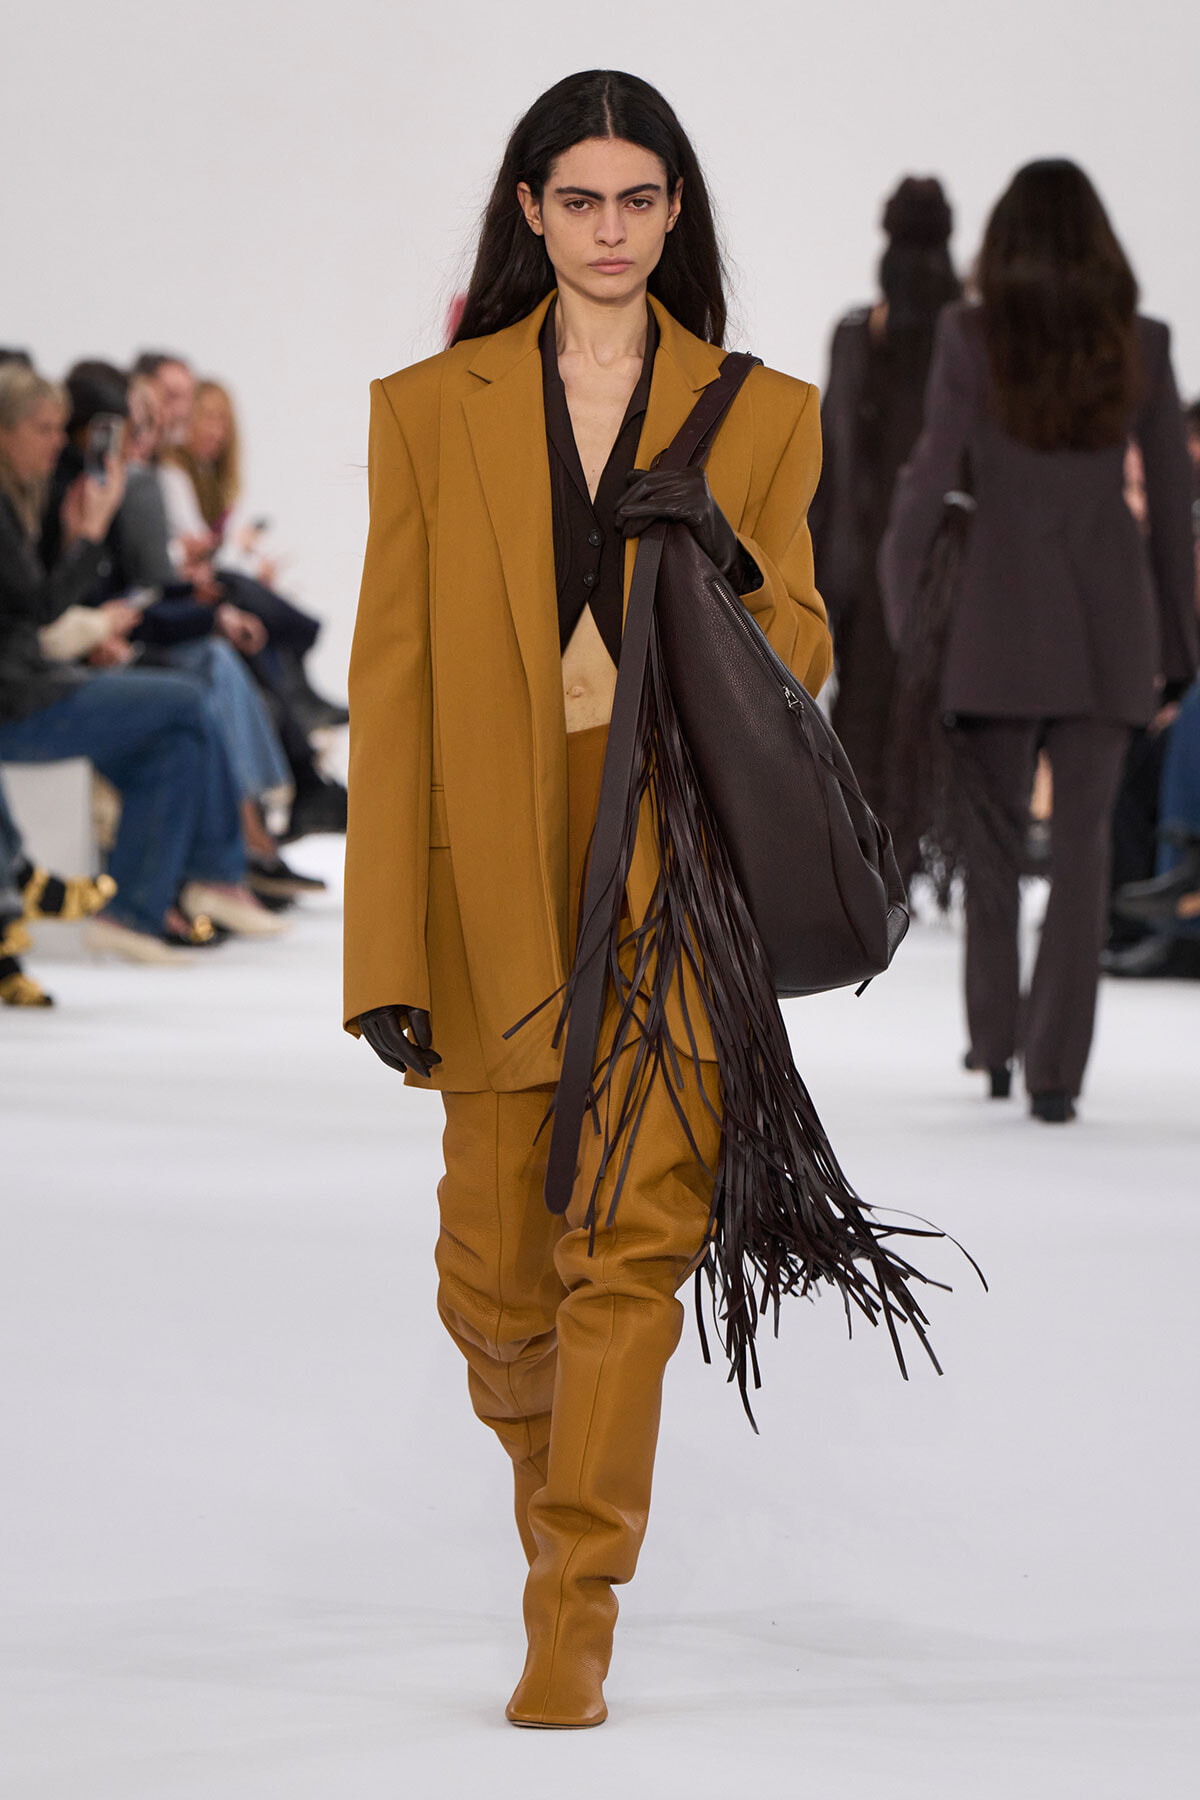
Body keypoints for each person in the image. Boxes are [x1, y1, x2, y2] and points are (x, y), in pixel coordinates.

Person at [343, 70, 832, 1728]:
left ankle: (575, 1604)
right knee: (493, 1280)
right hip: (489, 863)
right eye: (581, 200)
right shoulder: (428, 406)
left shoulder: (765, 413)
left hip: (673, 863)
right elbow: (392, 690)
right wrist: (379, 953)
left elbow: (809, 657)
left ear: (674, 213)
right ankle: (560, 1509)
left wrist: (735, 562)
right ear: (532, 211)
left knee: (628, 1252)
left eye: (640, 200)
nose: (611, 230)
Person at [880, 160, 1197, 1122]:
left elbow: (928, 482)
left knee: (990, 843)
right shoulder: (1140, 342)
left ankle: (996, 1045)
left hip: (995, 621)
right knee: (1085, 850)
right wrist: (1182, 643)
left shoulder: (970, 337)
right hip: (1110, 620)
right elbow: (1175, 514)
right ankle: (1057, 1075)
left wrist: (908, 623)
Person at [0, 362, 283, 960]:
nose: (58, 440)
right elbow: (39, 608)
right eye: (44, 428)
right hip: (19, 700)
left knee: (176, 737)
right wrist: (91, 532)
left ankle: (139, 910)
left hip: (35, 683)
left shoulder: (28, 497)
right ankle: (211, 876)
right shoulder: (23, 504)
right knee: (187, 700)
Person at [810, 176, 960, 820]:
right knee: (907, 717)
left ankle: (869, 863)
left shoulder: (857, 337)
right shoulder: (961, 338)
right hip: (931, 558)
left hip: (869, 561)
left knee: (869, 719)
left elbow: (830, 464)